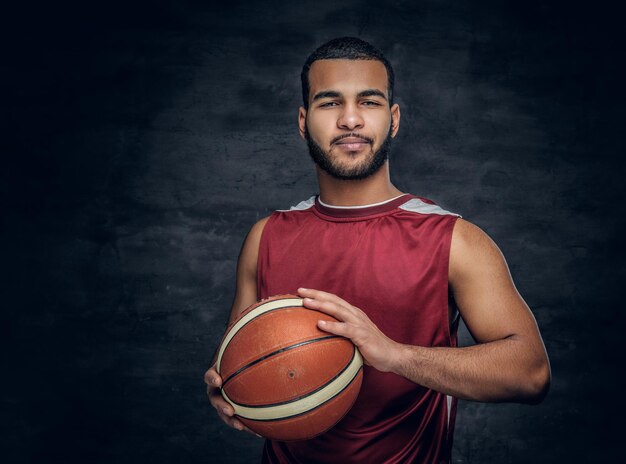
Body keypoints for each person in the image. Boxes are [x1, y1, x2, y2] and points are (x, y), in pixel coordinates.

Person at [204, 37, 551, 463]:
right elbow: (242, 359)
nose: (350, 119)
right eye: (329, 103)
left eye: (368, 102)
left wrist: (394, 355)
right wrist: (228, 389)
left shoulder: (453, 239)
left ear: (394, 118)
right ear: (302, 120)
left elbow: (531, 373)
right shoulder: (265, 237)